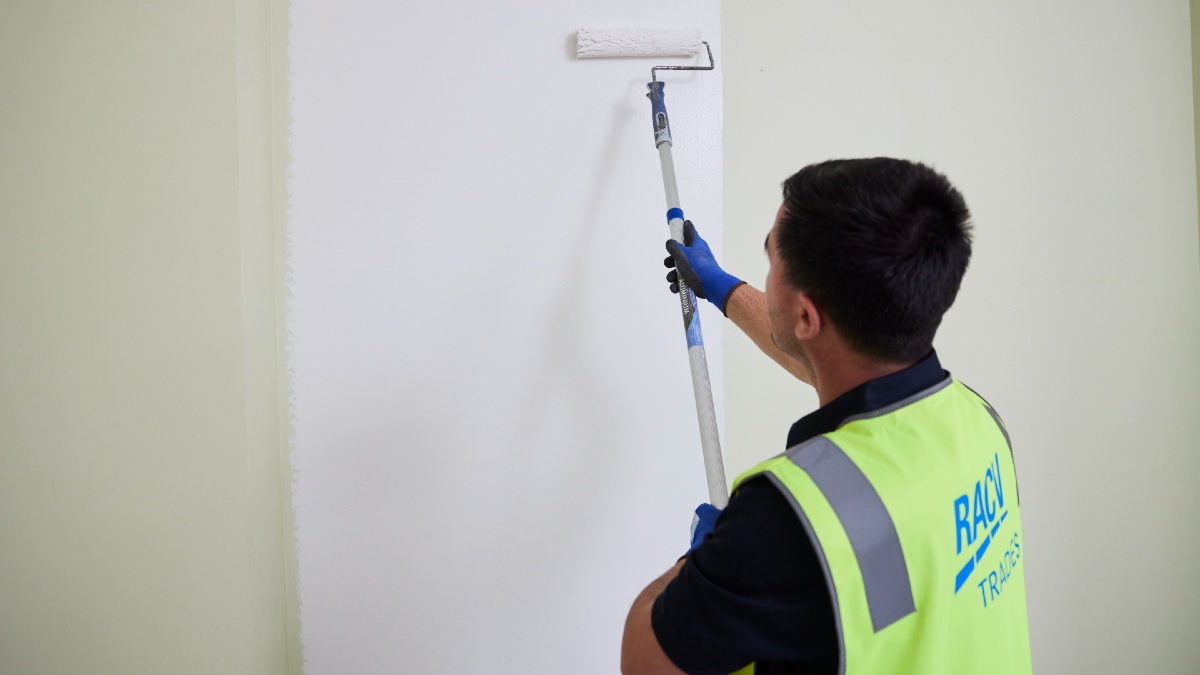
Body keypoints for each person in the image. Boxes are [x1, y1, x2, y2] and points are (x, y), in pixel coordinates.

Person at [620, 158, 1032, 675]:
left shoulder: (790, 517)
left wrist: (698, 567)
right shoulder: (976, 419)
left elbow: (646, 662)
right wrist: (720, 287)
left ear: (808, 316)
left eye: (771, 257)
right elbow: (823, 362)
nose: (767, 266)